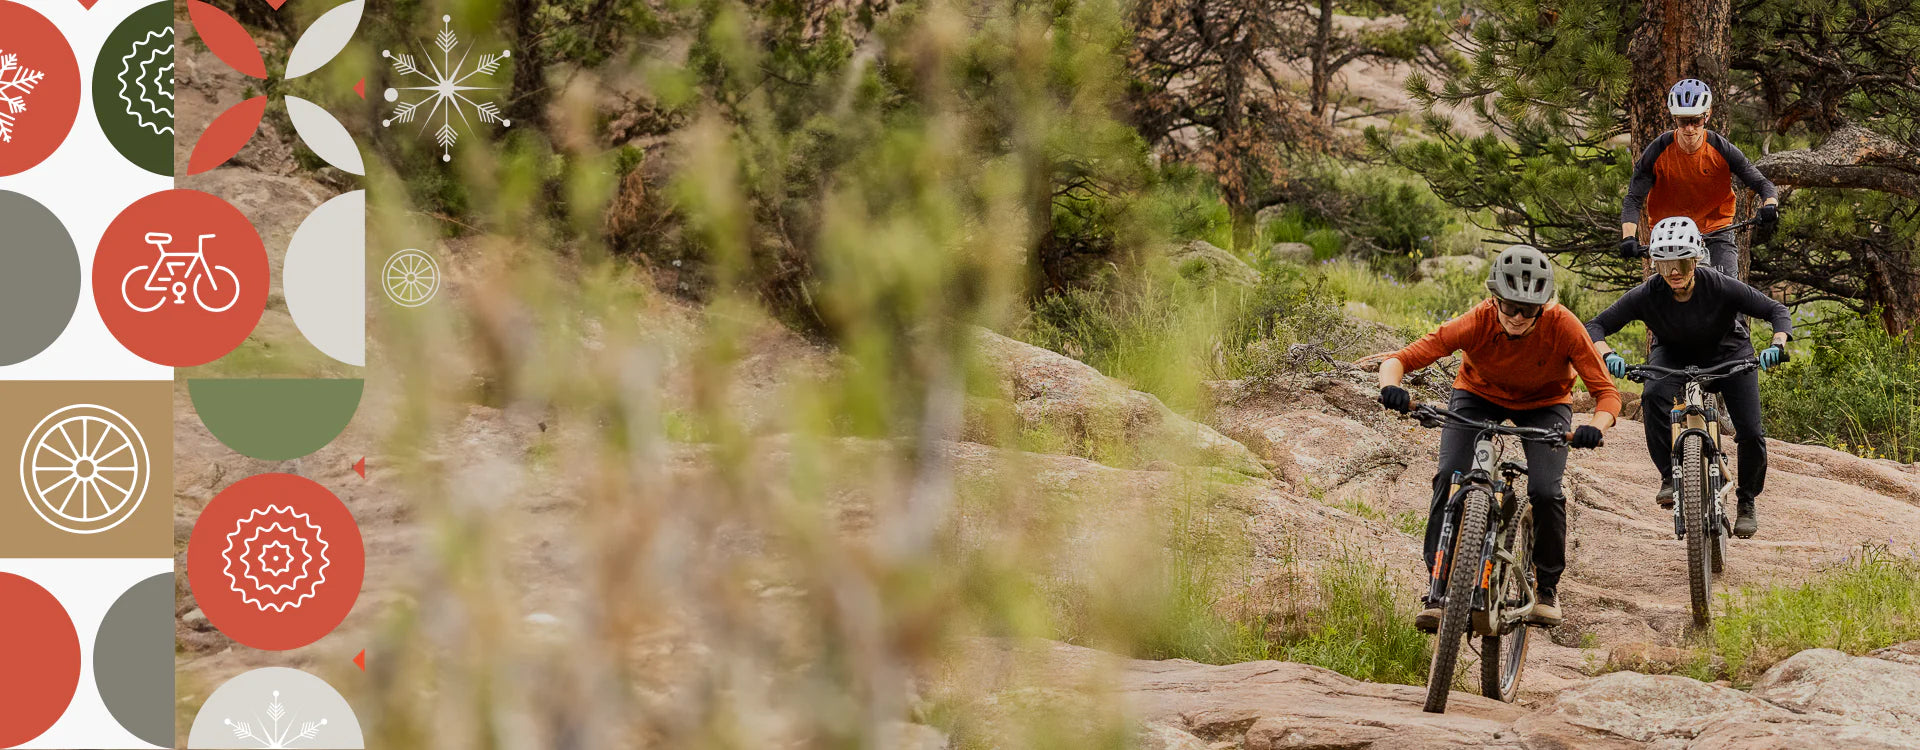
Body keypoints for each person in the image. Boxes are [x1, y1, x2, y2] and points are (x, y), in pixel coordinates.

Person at [1377, 245, 1618, 630]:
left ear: (1545, 305)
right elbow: (1399, 359)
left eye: (1530, 309)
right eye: (1510, 307)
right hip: (1477, 397)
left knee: (1545, 490)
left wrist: (1596, 427)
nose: (1519, 317)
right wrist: (1393, 388)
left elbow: (1607, 394)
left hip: (1545, 403)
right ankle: (1438, 589)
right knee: (1449, 476)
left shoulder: (1564, 326)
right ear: (1495, 299)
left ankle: (1546, 590)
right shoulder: (1477, 321)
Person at [1587, 216, 1792, 537]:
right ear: (1654, 263)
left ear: (1696, 257)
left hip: (1729, 353)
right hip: (1673, 355)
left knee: (1750, 431)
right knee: (1653, 394)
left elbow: (1776, 311)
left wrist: (1777, 345)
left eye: (1681, 261)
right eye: (1663, 263)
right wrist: (1608, 355)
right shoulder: (1648, 293)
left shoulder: (1719, 285)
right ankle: (1670, 476)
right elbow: (1595, 326)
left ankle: (1747, 500)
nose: (1673, 272)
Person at [1618, 78, 1781, 278]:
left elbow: (1761, 183)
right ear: (1674, 118)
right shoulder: (1658, 151)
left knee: (1730, 294)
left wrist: (1770, 204)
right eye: (1683, 121)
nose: (1690, 129)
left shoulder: (1720, 148)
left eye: (1696, 120)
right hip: (1670, 234)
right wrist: (1628, 238)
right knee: (1663, 295)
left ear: (1707, 115)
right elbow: (1634, 198)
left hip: (1715, 230)